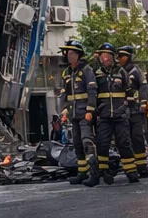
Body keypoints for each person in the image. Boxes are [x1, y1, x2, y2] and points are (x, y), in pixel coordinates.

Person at [89, 43, 138, 185]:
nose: (104, 59)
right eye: (102, 56)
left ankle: (131, 172)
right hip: (104, 116)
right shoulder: (96, 73)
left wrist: (128, 109)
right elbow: (93, 94)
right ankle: (104, 173)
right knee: (102, 144)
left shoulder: (121, 72)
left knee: (124, 143)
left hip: (120, 115)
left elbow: (129, 92)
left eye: (107, 56)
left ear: (112, 57)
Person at [57, 39, 98, 186]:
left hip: (84, 112)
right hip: (73, 114)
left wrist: (90, 110)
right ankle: (82, 173)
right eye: (68, 53)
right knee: (77, 144)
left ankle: (94, 174)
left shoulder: (86, 70)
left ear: (79, 55)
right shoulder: (67, 72)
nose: (69, 56)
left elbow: (92, 91)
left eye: (72, 53)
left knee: (87, 142)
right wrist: (64, 111)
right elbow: (65, 94)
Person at [117, 46, 148, 178]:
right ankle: (131, 167)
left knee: (137, 137)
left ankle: (142, 167)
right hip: (122, 111)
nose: (119, 59)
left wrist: (144, 103)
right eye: (118, 56)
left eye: (122, 56)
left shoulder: (135, 71)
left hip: (135, 110)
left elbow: (143, 87)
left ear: (128, 57)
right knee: (125, 139)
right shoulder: (118, 72)